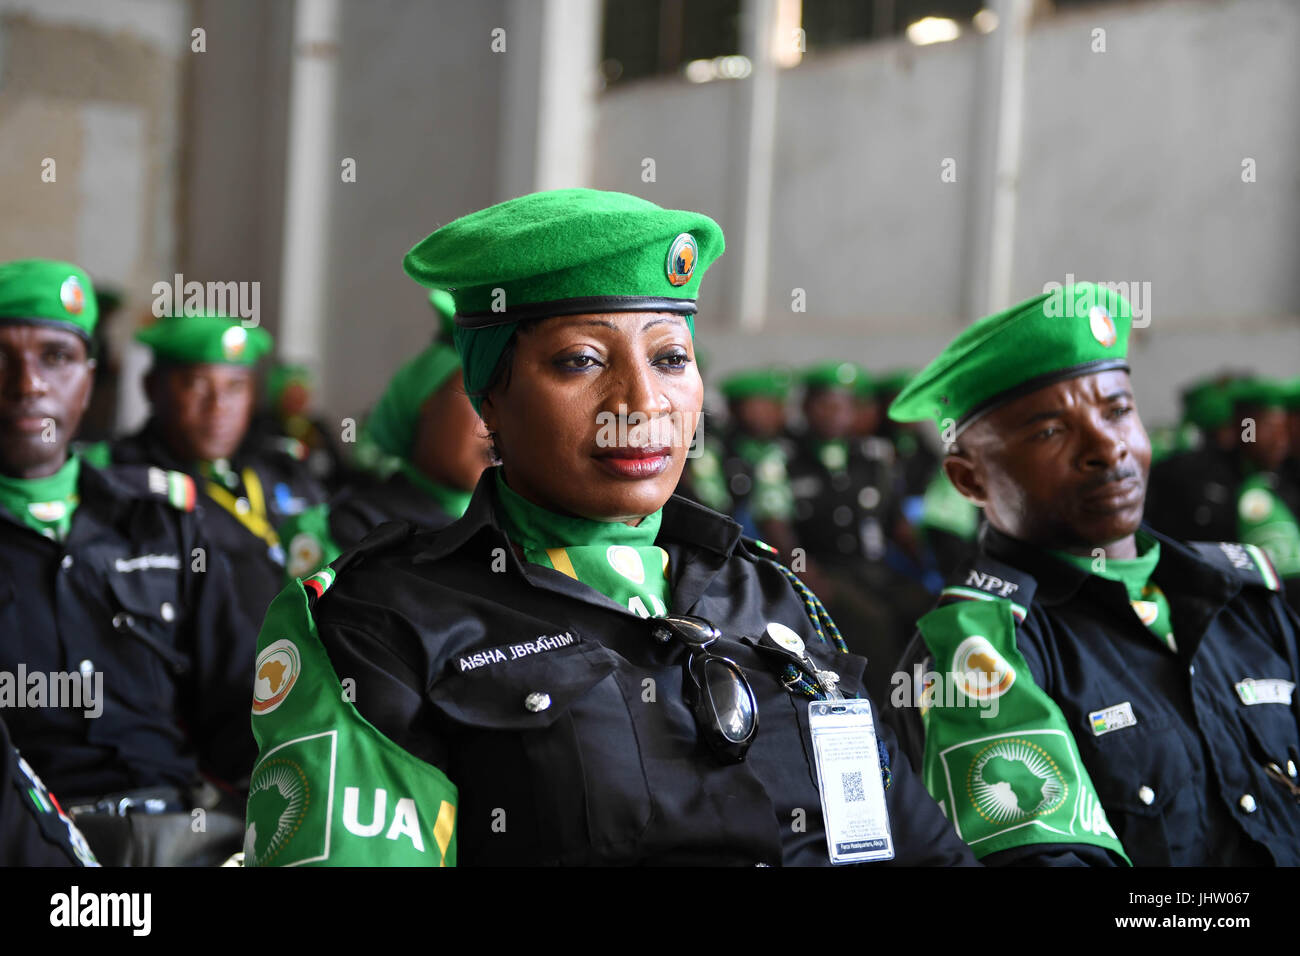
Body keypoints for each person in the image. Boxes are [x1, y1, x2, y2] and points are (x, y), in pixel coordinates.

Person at [244, 188, 975, 867]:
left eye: (670, 358)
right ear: (489, 397)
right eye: (581, 361)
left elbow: (917, 845)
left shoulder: (765, 594)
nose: (640, 401)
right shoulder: (386, 624)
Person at [886, 281, 1300, 866]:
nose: (1107, 448)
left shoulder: (1243, 593)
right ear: (969, 480)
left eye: (1117, 410)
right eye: (1051, 431)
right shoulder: (980, 647)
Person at [0, 259, 257, 865]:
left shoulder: (160, 520)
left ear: (89, 381)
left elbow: (240, 703)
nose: (27, 384)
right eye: (3, 357)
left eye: (55, 357)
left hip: (183, 832)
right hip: (31, 839)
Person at [102, 312, 327, 622]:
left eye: (235, 386)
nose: (218, 406)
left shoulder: (278, 466)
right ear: (152, 388)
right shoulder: (125, 483)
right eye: (196, 384)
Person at [278, 291, 493, 582]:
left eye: (509, 395)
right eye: (479, 393)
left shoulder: (520, 536)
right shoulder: (344, 534)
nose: (498, 416)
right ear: (424, 400)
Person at [1147, 376, 1300, 608]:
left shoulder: (1286, 482)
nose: (1280, 441)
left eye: (1283, 431)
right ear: (1245, 427)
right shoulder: (1188, 474)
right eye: (1269, 429)